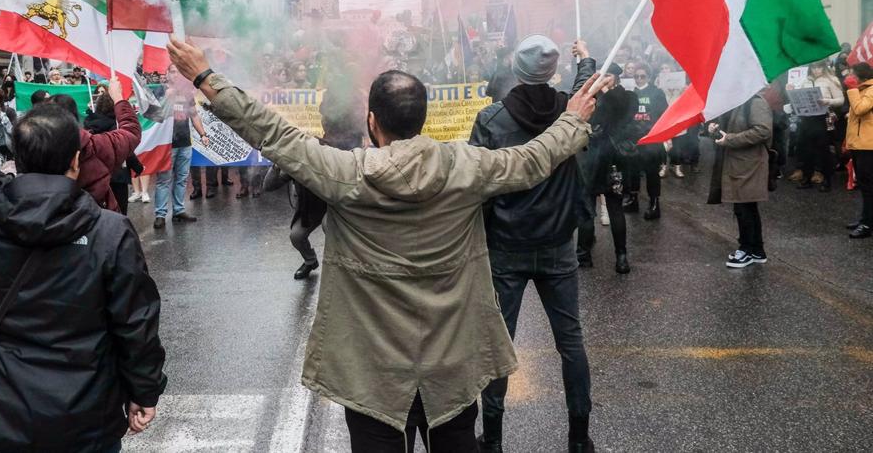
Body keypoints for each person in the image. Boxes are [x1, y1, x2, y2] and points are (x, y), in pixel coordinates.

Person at [166, 37, 606, 453]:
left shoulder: (343, 173)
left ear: (372, 121)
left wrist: (206, 77)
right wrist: (573, 118)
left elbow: (274, 135)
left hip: (371, 375)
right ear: (423, 119)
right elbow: (533, 159)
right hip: (450, 367)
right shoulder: (466, 167)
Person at [0, 53, 166, 450]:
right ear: (76, 159)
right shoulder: (110, 231)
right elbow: (135, 323)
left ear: (17, 157)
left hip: (1, 419)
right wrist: (144, 390)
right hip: (86, 420)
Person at [469, 36, 596, 453]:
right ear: (552, 71)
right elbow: (586, 88)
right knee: (570, 343)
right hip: (560, 243)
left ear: (516, 69)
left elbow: (477, 185)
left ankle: (493, 437)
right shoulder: (570, 112)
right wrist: (586, 58)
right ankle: (579, 437)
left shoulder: (492, 119)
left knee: (498, 345)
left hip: (507, 245)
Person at [263, 85, 366, 280]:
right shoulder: (308, 152)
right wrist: (277, 163)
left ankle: (345, 266)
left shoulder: (348, 152)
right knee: (296, 236)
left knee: (330, 225)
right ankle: (310, 261)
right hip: (313, 205)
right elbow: (268, 186)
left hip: (339, 203)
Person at [577, 63, 638, 274]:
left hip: (613, 162)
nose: (604, 79)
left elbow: (621, 110)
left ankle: (621, 257)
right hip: (592, 161)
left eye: (609, 75)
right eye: (602, 75)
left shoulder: (627, 96)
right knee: (586, 210)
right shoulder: (593, 98)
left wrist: (604, 90)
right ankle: (583, 254)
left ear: (617, 78)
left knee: (615, 209)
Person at [50, 78, 141, 211]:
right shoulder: (92, 144)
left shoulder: (31, 144)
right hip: (97, 208)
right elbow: (130, 132)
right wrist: (118, 99)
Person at [707, 95, 773, 268]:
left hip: (749, 163)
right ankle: (756, 250)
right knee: (744, 206)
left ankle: (747, 249)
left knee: (744, 207)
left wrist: (730, 139)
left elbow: (763, 130)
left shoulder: (756, 101)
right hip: (737, 162)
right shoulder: (735, 101)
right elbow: (730, 129)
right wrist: (715, 130)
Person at [153, 65, 208, 229]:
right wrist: (166, 98)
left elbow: (194, 114)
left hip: (184, 142)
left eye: (179, 71)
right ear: (167, 74)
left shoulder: (186, 92)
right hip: (167, 144)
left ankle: (178, 211)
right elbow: (153, 114)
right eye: (173, 71)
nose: (177, 75)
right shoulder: (160, 90)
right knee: (164, 180)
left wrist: (203, 134)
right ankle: (160, 214)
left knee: (182, 179)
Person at [83, 91, 144, 215]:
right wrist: (138, 167)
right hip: (117, 174)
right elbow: (126, 150)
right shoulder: (115, 126)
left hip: (96, 175)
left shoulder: (88, 123)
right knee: (120, 212)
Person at [789, 60, 843, 192]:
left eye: (819, 67)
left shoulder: (831, 79)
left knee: (823, 151)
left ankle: (827, 180)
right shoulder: (805, 81)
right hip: (807, 119)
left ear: (824, 67)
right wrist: (791, 93)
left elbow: (841, 99)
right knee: (805, 150)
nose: (816, 70)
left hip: (822, 118)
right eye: (813, 67)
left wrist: (827, 101)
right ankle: (807, 178)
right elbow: (797, 99)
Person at [623, 63, 667, 220]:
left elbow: (664, 114)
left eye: (642, 76)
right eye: (636, 76)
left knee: (651, 173)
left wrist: (662, 136)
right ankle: (633, 200)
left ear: (648, 76)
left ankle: (654, 204)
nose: (639, 79)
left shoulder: (657, 93)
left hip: (651, 139)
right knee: (633, 171)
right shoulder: (630, 93)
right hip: (634, 139)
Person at [845, 63, 873, 239]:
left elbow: (860, 109)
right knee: (864, 185)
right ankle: (865, 218)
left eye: (853, 74)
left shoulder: (870, 90)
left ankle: (867, 224)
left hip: (868, 145)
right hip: (859, 144)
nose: (850, 76)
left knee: (868, 186)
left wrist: (853, 90)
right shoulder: (863, 90)